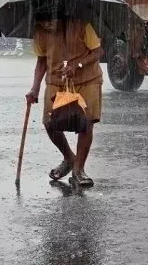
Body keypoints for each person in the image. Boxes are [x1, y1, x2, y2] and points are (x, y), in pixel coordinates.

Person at [25, 10, 103, 187]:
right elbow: (42, 61)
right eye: (42, 22)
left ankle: (78, 170)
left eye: (49, 21)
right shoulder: (40, 32)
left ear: (59, 16)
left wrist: (77, 64)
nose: (46, 25)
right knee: (49, 122)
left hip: (87, 79)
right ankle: (69, 158)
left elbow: (98, 52)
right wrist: (34, 88)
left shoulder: (81, 25)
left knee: (86, 123)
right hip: (56, 80)